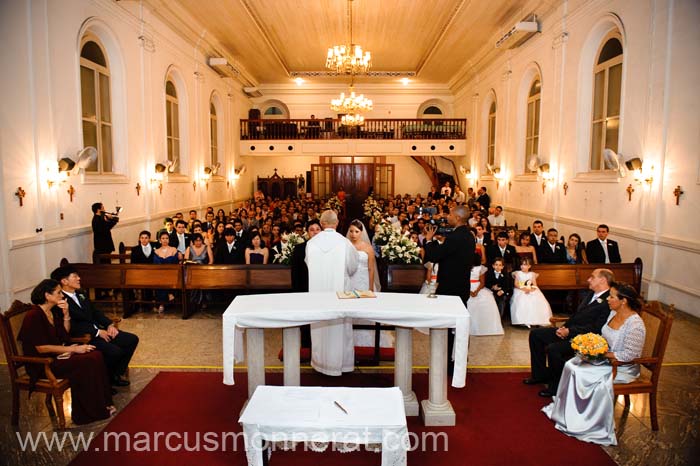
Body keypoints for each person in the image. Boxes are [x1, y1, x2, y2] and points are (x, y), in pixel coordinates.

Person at [542, 282, 646, 445]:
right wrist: (591, 345)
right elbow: (604, 335)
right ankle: (570, 411)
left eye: (612, 297)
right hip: (606, 358)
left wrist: (600, 353)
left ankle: (588, 420)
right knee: (572, 365)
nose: (608, 300)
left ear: (623, 301)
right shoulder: (613, 313)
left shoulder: (635, 325)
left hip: (621, 367)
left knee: (581, 372)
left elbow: (629, 355)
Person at [18, 279, 116, 424]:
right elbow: (41, 348)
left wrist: (66, 315)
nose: (62, 296)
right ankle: (86, 414)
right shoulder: (34, 315)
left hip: (57, 356)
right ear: (47, 295)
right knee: (87, 361)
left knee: (96, 355)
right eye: (58, 293)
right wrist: (73, 349)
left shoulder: (51, 312)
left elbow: (64, 334)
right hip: (44, 363)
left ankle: (102, 403)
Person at [524, 269, 614, 396]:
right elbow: (576, 316)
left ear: (603, 280)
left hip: (586, 339)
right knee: (536, 334)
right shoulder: (591, 294)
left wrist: (569, 331)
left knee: (554, 349)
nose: (588, 279)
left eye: (592, 277)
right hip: (571, 331)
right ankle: (540, 375)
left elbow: (597, 327)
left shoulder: (609, 300)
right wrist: (563, 328)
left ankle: (555, 388)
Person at [50, 266, 139, 387]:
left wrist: (109, 325)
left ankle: (113, 375)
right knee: (114, 352)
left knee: (131, 339)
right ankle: (106, 381)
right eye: (75, 276)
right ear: (64, 281)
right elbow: (73, 326)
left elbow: (95, 312)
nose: (79, 278)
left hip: (98, 330)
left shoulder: (81, 293)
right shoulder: (60, 302)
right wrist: (97, 332)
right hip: (84, 337)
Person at [305, 210, 360, 376]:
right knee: (340, 328)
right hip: (339, 295)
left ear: (321, 224)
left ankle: (320, 363)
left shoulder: (311, 243)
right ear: (336, 224)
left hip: (317, 294)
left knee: (320, 327)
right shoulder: (345, 243)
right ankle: (341, 365)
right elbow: (352, 267)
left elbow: (309, 264)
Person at [423, 204, 475, 375]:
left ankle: (448, 362)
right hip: (461, 286)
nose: (447, 216)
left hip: (450, 288)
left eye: (450, 214)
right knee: (458, 326)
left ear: (458, 218)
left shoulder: (455, 237)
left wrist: (429, 240)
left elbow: (435, 255)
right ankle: (457, 360)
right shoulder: (468, 236)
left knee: (448, 326)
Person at [467, 253, 504, 336]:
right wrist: (469, 291)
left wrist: (476, 291)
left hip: (478, 286)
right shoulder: (465, 267)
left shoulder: (481, 268)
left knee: (486, 302)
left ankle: (485, 328)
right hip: (467, 286)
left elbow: (482, 283)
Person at [509, 257, 553, 327]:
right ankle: (523, 320)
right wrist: (524, 289)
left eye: (525, 265)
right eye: (522, 264)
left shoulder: (532, 274)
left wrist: (530, 289)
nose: (522, 266)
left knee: (536, 300)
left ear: (529, 266)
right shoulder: (518, 273)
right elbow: (516, 284)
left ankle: (536, 320)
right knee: (522, 300)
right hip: (520, 289)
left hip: (530, 289)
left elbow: (535, 285)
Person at [152, 231, 182, 313]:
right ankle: (168, 296)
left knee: (166, 278)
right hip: (160, 274)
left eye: (166, 238)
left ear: (169, 240)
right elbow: (156, 264)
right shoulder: (156, 251)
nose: (165, 240)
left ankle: (163, 302)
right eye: (163, 238)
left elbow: (174, 262)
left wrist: (165, 262)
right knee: (160, 280)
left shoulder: (173, 249)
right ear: (160, 240)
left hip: (172, 273)